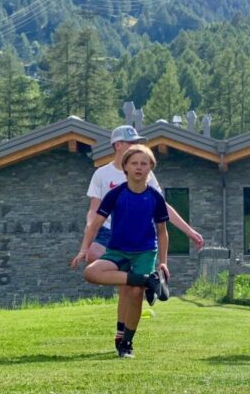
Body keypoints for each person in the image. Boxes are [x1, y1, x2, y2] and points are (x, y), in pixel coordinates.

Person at [84, 125, 204, 353]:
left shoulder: (147, 172)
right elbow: (94, 210)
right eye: (132, 143)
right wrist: (88, 237)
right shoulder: (102, 174)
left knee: (129, 287)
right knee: (101, 265)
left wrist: (188, 230)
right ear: (118, 145)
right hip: (110, 233)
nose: (138, 147)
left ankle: (124, 335)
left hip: (140, 236)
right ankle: (147, 281)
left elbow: (162, 208)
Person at [71, 145, 170, 358]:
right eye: (134, 163)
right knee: (91, 272)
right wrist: (83, 250)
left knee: (134, 293)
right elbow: (95, 224)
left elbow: (162, 232)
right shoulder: (115, 194)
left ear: (150, 168)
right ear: (125, 167)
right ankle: (147, 280)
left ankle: (126, 343)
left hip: (144, 252)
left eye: (144, 164)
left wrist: (163, 262)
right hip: (117, 251)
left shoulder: (155, 198)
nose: (139, 168)